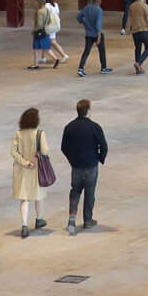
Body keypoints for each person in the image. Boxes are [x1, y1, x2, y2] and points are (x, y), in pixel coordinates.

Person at [60, 97, 108, 235]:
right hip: (91, 165)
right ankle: (88, 220)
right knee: (90, 192)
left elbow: (64, 147)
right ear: (88, 112)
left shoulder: (69, 127)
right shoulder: (94, 127)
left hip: (76, 166)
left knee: (75, 190)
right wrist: (99, 158)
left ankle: (72, 218)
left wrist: (72, 160)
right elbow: (104, 146)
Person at [13, 107, 52, 239]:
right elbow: (45, 151)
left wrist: (25, 162)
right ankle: (39, 219)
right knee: (38, 196)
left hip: (22, 171)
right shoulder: (40, 134)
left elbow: (13, 152)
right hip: (37, 170)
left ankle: (24, 225)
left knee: (25, 198)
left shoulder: (19, 134)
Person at [76, 0, 108, 75]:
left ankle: (81, 68)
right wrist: (99, 37)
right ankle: (103, 68)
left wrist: (84, 23)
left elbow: (78, 17)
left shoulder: (86, 8)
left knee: (86, 51)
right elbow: (98, 25)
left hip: (88, 33)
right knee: (102, 51)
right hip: (96, 34)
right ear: (99, 1)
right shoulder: (99, 10)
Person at [126, 0, 148, 74]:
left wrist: (127, 28)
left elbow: (129, 18)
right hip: (144, 30)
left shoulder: (131, 6)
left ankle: (138, 68)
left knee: (138, 48)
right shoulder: (145, 6)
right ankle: (139, 63)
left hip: (135, 31)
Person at [32, 0, 63, 69]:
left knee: (37, 47)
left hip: (40, 31)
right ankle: (37, 63)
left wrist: (35, 30)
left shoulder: (39, 12)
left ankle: (37, 64)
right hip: (46, 30)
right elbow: (49, 20)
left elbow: (39, 24)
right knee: (45, 47)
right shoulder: (46, 10)